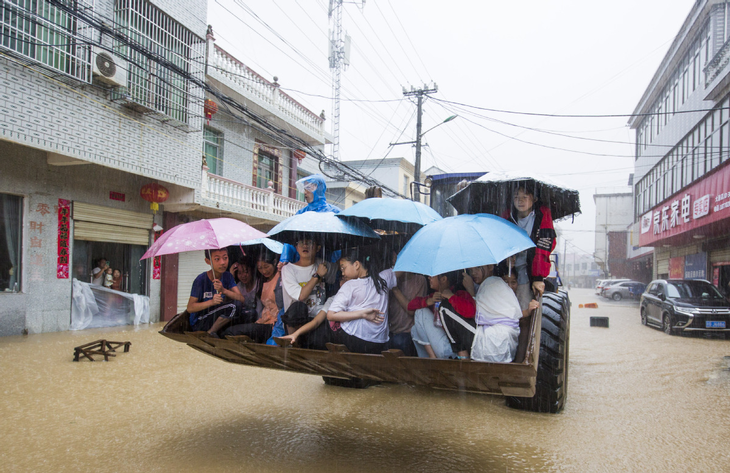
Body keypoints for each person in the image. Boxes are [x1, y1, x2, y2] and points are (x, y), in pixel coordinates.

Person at [327, 249, 396, 354]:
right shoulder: (384, 279)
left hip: (354, 340)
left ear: (356, 265)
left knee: (328, 325)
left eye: (343, 268)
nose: (343, 273)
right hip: (379, 343)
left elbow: (331, 315)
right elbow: (400, 269)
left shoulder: (349, 285)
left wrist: (362, 314)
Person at [505, 186, 556, 312]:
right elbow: (501, 240)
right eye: (516, 197)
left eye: (525, 197)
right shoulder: (507, 216)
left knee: (524, 310)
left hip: (527, 273)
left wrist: (538, 278)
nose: (520, 201)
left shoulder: (542, 215)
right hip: (507, 274)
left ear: (534, 199)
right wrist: (506, 258)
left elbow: (544, 247)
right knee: (505, 310)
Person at [409, 271, 475, 359]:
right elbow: (410, 306)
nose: (429, 277)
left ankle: (432, 359)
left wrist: (451, 297)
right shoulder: (435, 296)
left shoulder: (459, 294)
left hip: (453, 349)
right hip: (441, 345)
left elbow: (470, 311)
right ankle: (429, 361)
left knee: (420, 313)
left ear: (443, 279)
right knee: (414, 329)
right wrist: (429, 301)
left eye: (432, 275)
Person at [468, 264, 524, 363]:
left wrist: (470, 291)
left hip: (498, 339)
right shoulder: (495, 283)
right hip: (506, 340)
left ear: (490, 267)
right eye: (471, 269)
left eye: (477, 268)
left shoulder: (490, 283)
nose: (473, 273)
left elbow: (476, 313)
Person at [279, 275, 351, 350]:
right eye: (342, 279)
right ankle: (294, 345)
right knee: (297, 307)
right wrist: (295, 334)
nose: (343, 283)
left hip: (348, 338)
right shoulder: (333, 300)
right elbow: (316, 321)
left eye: (347, 280)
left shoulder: (360, 301)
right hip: (332, 335)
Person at [222, 250, 280, 342]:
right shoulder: (263, 281)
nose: (264, 271)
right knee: (228, 330)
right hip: (262, 321)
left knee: (230, 332)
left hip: (273, 324)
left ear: (274, 262)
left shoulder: (280, 277)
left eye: (266, 267)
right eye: (260, 268)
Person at [187, 248, 245, 336]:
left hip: (217, 316)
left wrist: (224, 290)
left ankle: (225, 333)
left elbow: (241, 298)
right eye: (217, 259)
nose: (222, 262)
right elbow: (190, 308)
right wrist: (212, 302)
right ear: (208, 261)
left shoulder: (227, 276)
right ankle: (210, 333)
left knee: (249, 313)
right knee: (234, 306)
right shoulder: (200, 280)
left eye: (225, 258)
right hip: (200, 321)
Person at [280, 238, 330, 333]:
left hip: (318, 320)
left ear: (318, 247)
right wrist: (317, 275)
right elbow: (301, 296)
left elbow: (341, 268)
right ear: (296, 247)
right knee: (298, 307)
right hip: (296, 322)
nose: (305, 245)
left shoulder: (323, 265)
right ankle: (294, 342)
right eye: (301, 242)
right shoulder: (288, 269)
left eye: (310, 242)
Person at [388, 271, 427, 356]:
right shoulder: (388, 279)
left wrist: (395, 289)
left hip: (408, 333)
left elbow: (412, 311)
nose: (394, 260)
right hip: (390, 331)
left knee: (399, 342)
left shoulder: (419, 280)